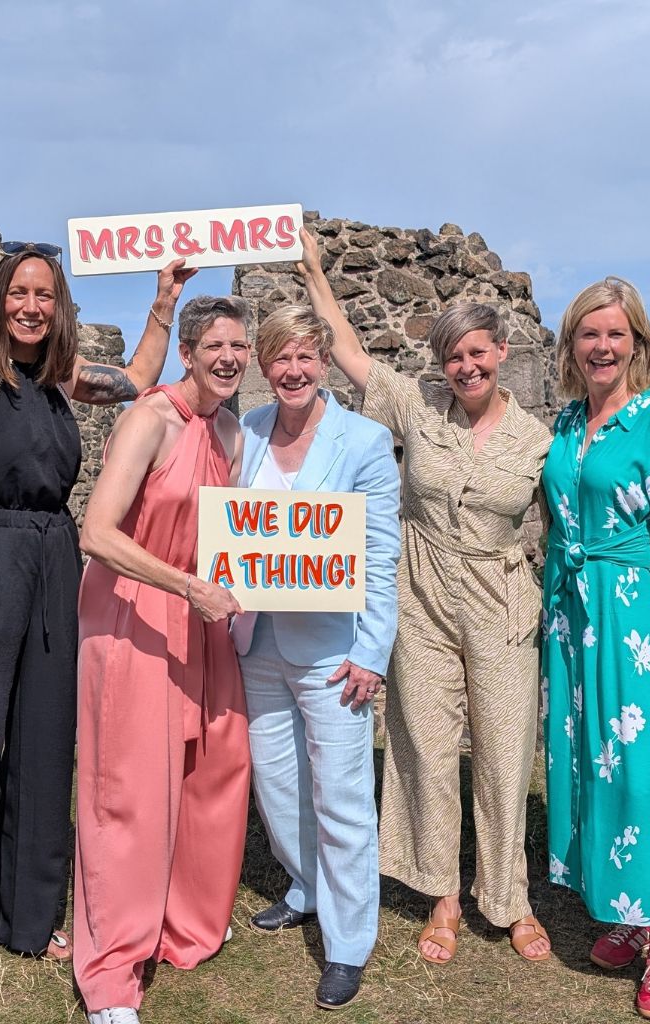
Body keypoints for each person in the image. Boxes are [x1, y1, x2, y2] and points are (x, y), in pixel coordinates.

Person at [0, 241, 194, 1004]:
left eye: (46, 295)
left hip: (54, 555)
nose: (32, 306)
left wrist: (163, 302)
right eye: (21, 292)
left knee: (44, 744)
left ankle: (29, 918)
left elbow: (132, 382)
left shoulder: (60, 377)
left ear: (57, 306)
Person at [297, 228, 554, 964]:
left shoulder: (538, 439)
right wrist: (314, 267)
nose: (466, 364)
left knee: (506, 752)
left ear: (501, 353)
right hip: (423, 596)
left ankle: (510, 899)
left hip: (504, 601)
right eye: (453, 354)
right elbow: (348, 353)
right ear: (441, 362)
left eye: (477, 351)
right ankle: (441, 894)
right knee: (426, 748)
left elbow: (566, 524)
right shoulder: (418, 407)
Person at [73, 295, 253, 1024]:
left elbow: (234, 534)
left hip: (200, 614)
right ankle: (112, 970)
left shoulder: (231, 432)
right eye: (216, 345)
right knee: (131, 787)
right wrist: (186, 586)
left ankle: (184, 922)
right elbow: (95, 533)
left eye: (239, 347)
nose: (229, 358)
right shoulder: (148, 418)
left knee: (215, 765)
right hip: (133, 610)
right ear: (188, 351)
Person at [541, 277, 650, 1019]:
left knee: (647, 777)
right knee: (591, 769)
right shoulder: (570, 420)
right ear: (571, 345)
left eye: (616, 334)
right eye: (589, 334)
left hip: (637, 617)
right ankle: (625, 914)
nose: (602, 346)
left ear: (637, 343)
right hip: (575, 618)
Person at [234, 306, 401, 1010]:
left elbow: (382, 556)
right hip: (255, 639)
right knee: (275, 787)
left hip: (334, 647)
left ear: (325, 363)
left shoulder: (364, 440)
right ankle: (305, 887)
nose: (293, 370)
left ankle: (348, 943)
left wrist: (373, 652)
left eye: (306, 357)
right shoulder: (241, 433)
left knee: (341, 797)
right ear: (263, 366)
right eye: (280, 358)